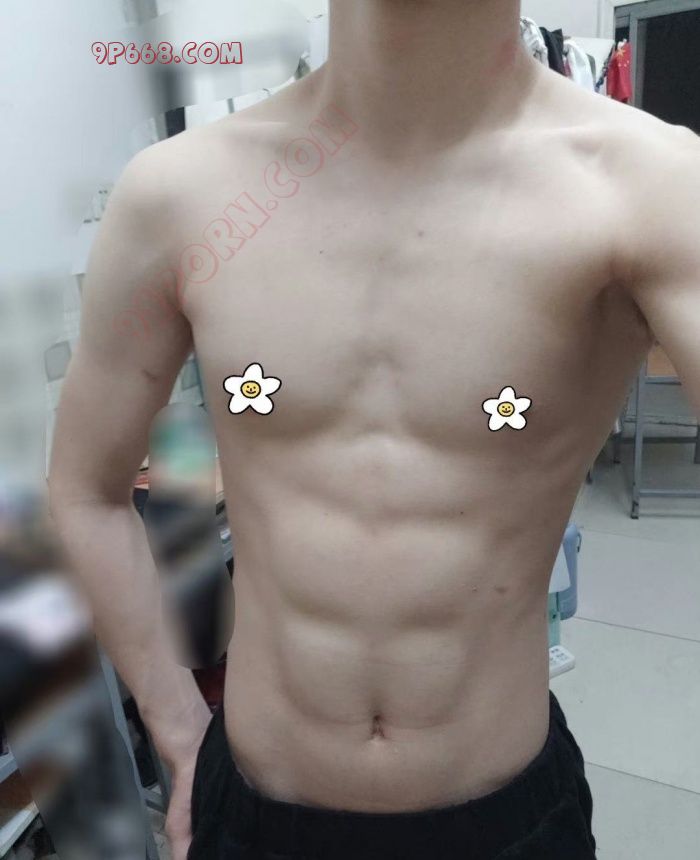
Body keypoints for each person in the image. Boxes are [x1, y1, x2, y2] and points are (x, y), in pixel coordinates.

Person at [47, 1, 700, 858]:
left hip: (503, 821)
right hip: (251, 815)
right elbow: (86, 492)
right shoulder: (181, 193)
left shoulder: (652, 188)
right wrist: (176, 729)